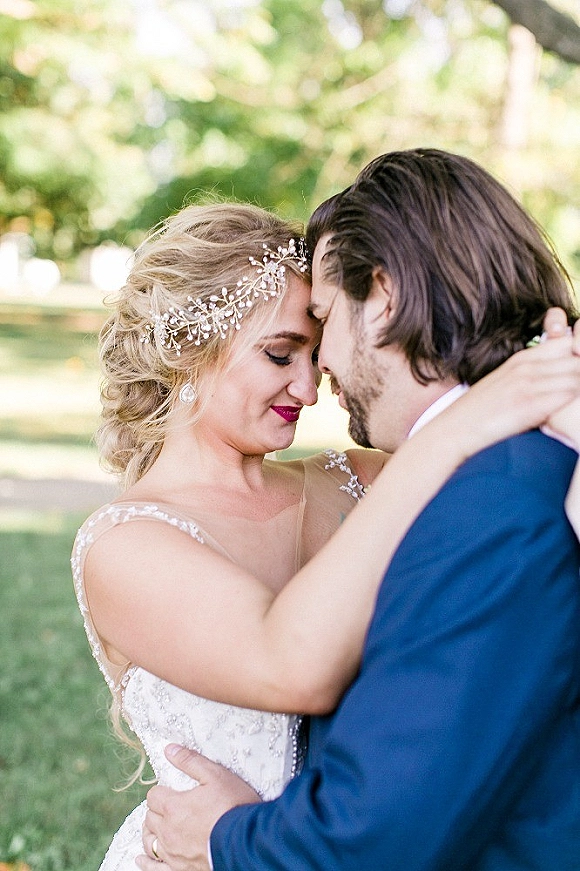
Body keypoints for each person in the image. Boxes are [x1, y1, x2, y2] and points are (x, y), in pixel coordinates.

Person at [137, 150, 580, 871]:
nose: (318, 374)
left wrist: (225, 837)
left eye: (323, 319)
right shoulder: (498, 464)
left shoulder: (491, 499)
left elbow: (380, 832)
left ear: (385, 294)